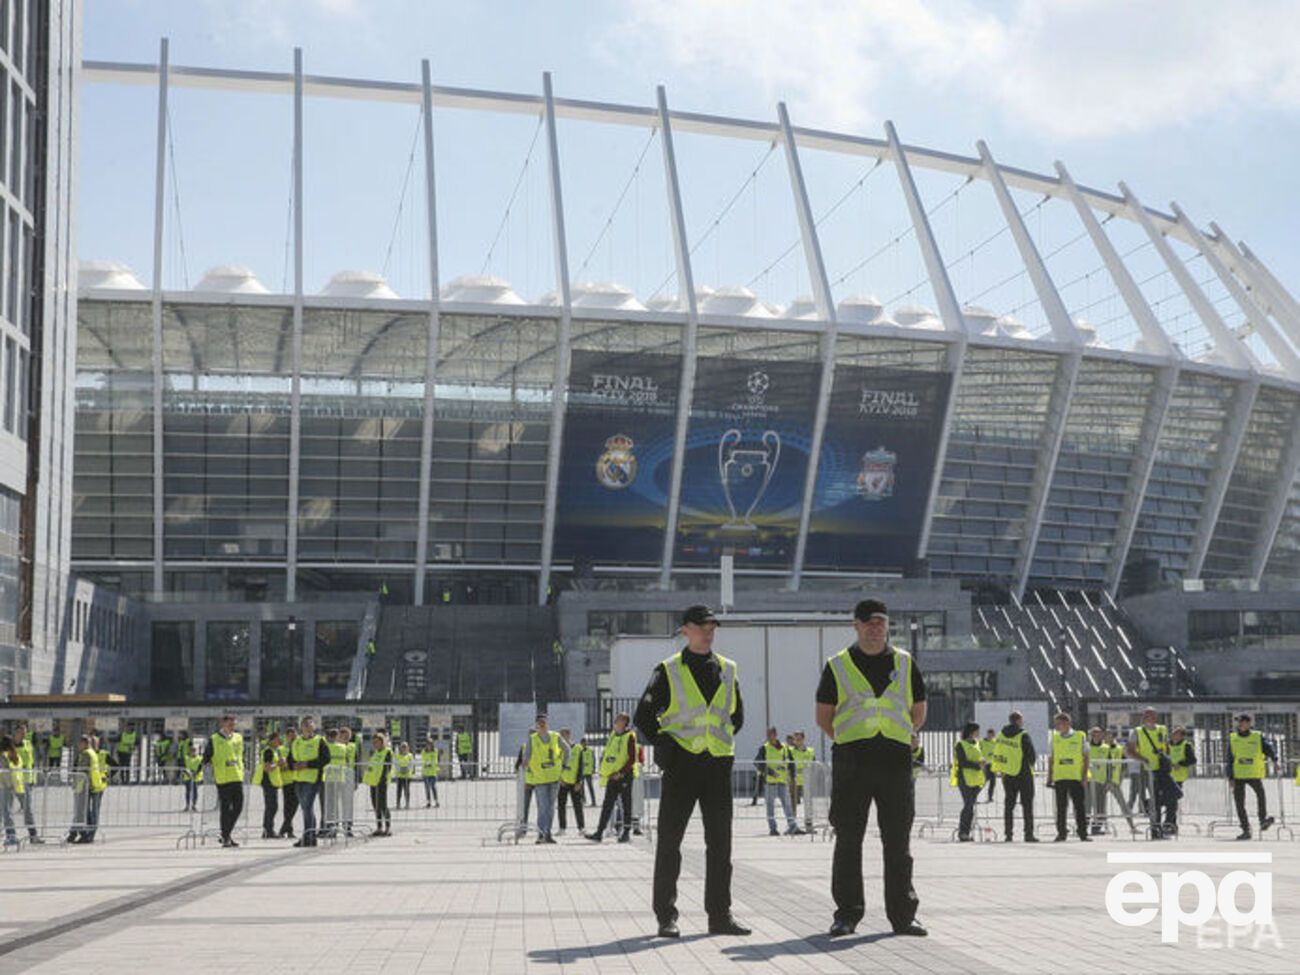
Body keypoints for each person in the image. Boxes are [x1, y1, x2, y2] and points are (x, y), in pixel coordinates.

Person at [635, 604, 750, 938]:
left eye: (712, 626)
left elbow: (737, 716)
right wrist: (666, 744)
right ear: (685, 629)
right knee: (670, 843)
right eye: (702, 626)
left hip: (717, 765)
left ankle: (720, 916)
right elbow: (644, 717)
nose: (708, 632)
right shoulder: (668, 670)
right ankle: (666, 916)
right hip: (682, 766)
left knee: (721, 846)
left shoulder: (728, 668)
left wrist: (717, 741)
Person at [816, 598, 927, 938]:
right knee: (848, 840)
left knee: (898, 841)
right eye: (868, 622)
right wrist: (849, 739)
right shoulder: (837, 665)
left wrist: (906, 733)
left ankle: (903, 916)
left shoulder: (905, 663)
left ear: (887, 625)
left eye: (880, 622)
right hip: (853, 761)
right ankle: (847, 914)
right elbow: (824, 716)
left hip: (895, 761)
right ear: (856, 625)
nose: (875, 628)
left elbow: (919, 708)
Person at [587, 712, 637, 843]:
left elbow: (632, 758)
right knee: (607, 804)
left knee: (626, 804)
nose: (615, 721)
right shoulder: (613, 735)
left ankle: (626, 833)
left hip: (624, 776)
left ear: (624, 722)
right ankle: (599, 832)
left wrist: (621, 773)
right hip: (612, 776)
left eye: (618, 719)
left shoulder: (630, 736)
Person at [1229, 713, 1276, 840]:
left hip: (1253, 774)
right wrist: (1230, 777)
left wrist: (1275, 759)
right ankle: (1246, 829)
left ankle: (1263, 820)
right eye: (1238, 721)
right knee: (1239, 804)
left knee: (1261, 795)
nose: (1240, 724)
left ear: (1248, 723)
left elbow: (1268, 748)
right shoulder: (1233, 737)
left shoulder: (1257, 736)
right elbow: (1230, 758)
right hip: (1238, 775)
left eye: (1242, 721)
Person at [993, 710, 1037, 843]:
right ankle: (1028, 834)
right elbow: (1031, 754)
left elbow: (998, 752)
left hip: (1008, 774)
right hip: (1023, 773)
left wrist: (1002, 769)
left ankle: (1008, 834)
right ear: (1018, 721)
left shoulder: (1001, 735)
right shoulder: (1023, 735)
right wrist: (1030, 764)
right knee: (1027, 805)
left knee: (1009, 806)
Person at [522, 713, 566, 844]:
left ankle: (548, 833)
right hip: (540, 779)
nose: (542, 725)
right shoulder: (532, 739)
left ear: (547, 724)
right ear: (536, 725)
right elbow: (526, 756)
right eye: (539, 723)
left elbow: (567, 750)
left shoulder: (555, 736)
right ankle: (541, 834)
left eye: (544, 723)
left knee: (550, 807)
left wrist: (563, 766)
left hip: (554, 777)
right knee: (543, 807)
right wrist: (525, 763)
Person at [203, 714, 246, 848]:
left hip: (236, 776)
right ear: (223, 724)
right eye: (230, 724)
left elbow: (240, 755)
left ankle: (226, 834)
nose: (232, 726)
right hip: (223, 778)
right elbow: (206, 756)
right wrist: (202, 767)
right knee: (226, 808)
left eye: (234, 724)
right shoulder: (214, 739)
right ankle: (226, 836)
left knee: (238, 807)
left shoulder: (238, 737)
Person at [1048, 712, 1090, 843]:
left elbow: (1086, 757)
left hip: (1075, 777)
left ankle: (1083, 833)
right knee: (1061, 808)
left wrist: (1084, 777)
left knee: (1079, 807)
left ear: (1067, 723)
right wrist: (1049, 777)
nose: (1056, 726)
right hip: (1060, 777)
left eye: (1058, 723)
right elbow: (1051, 759)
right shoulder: (1054, 738)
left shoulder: (1080, 736)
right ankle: (1061, 833)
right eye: (1055, 724)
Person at [290, 716, 330, 847]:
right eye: (305, 724)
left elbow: (326, 759)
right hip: (298, 779)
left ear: (314, 727)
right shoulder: (296, 741)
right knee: (305, 808)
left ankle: (308, 836)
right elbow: (290, 758)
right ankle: (310, 836)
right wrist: (292, 765)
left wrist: (308, 764)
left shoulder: (320, 741)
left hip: (312, 779)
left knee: (307, 807)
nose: (307, 727)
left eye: (310, 724)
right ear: (301, 727)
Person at [1092, 729, 1137, 835]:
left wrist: (1120, 778)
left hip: (1114, 781)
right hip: (1101, 781)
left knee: (1123, 804)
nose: (1107, 738)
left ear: (1113, 737)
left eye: (1109, 736)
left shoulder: (1119, 748)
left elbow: (1124, 764)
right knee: (1100, 806)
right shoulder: (1100, 748)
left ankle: (1132, 826)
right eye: (1105, 736)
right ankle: (1097, 827)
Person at [760, 726, 801, 837]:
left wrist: (793, 776)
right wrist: (770, 772)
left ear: (775, 735)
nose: (769, 737)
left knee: (787, 805)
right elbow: (758, 763)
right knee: (770, 806)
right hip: (770, 782)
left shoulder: (785, 747)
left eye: (770, 734)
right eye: (768, 735)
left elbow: (791, 762)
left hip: (782, 781)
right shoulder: (764, 748)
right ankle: (773, 829)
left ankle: (793, 826)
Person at [1128, 707, 1167, 820]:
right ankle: (1153, 820)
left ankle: (1156, 817)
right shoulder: (1137, 731)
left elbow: (1166, 746)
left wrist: (1167, 760)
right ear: (1144, 717)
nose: (1151, 717)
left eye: (1153, 715)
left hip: (1162, 768)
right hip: (1146, 768)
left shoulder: (1162, 729)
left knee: (1164, 794)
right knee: (1147, 793)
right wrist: (1143, 759)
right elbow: (1130, 751)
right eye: (1148, 715)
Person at [68, 735, 107, 843]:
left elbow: (82, 771)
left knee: (83, 812)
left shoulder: (86, 754)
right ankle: (77, 833)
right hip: (93, 784)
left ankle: (85, 834)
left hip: (86, 785)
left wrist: (75, 781)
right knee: (85, 812)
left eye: (80, 743)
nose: (78, 745)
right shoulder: (92, 753)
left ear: (84, 743)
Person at [1159, 725, 1194, 838]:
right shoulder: (1167, 745)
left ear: (1182, 736)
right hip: (1167, 776)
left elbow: (1192, 760)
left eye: (1176, 733)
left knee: (1172, 802)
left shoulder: (1186, 745)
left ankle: (1169, 824)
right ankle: (1171, 825)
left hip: (1178, 777)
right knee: (1170, 802)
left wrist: (1180, 764)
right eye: (1173, 733)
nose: (1173, 735)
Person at [952, 721, 985, 842]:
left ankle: (967, 832)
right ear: (972, 731)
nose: (979, 733)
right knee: (968, 805)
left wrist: (982, 762)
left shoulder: (977, 743)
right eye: (977, 730)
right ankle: (963, 832)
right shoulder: (960, 744)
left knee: (970, 806)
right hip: (964, 779)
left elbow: (978, 756)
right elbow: (962, 762)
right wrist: (977, 765)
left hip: (976, 779)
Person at [11, 723, 42, 843]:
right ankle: (9, 834)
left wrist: (33, 779)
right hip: (12, 781)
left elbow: (31, 763)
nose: (23, 735)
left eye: (25, 732)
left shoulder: (28, 744)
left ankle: (33, 835)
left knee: (27, 809)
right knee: (6, 809)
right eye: (21, 732)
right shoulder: (10, 746)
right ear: (16, 733)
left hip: (26, 781)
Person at [254, 732, 284, 839]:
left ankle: (268, 829)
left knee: (272, 806)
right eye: (277, 739)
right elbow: (267, 767)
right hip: (268, 781)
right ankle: (268, 830)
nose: (279, 741)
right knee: (271, 806)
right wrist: (278, 764)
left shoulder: (276, 751)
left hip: (273, 782)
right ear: (272, 740)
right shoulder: (268, 751)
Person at [556, 728, 585, 835]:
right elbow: (557, 765)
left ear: (569, 735)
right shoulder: (559, 749)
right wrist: (560, 779)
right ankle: (562, 828)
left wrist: (579, 781)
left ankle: (581, 827)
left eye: (563, 736)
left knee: (578, 806)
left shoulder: (578, 748)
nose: (562, 739)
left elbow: (581, 766)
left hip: (574, 782)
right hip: (563, 782)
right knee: (561, 805)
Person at [363, 732, 393, 837]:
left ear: (382, 742)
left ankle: (388, 827)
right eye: (373, 742)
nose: (374, 744)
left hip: (382, 783)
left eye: (376, 742)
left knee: (383, 805)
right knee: (376, 805)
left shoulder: (387, 752)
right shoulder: (375, 753)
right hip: (373, 782)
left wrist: (383, 779)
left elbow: (387, 767)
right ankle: (379, 827)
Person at [1, 735, 23, 847]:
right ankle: (10, 834)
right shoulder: (15, 755)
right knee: (6, 811)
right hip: (13, 785)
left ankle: (11, 835)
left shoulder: (4, 756)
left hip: (5, 786)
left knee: (6, 811)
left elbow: (5, 773)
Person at [790, 731, 815, 829]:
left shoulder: (810, 751)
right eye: (795, 739)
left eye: (799, 739)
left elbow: (814, 764)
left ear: (803, 739)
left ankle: (808, 822)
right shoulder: (790, 751)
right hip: (794, 780)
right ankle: (792, 824)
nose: (797, 741)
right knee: (793, 803)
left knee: (808, 802)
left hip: (807, 780)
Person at [278, 727, 299, 838]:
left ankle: (284, 827)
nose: (292, 737)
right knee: (287, 806)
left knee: (295, 804)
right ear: (286, 737)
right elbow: (279, 762)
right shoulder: (281, 749)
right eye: (290, 735)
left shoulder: (299, 747)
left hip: (298, 778)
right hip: (286, 779)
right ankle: (288, 829)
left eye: (294, 735)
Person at [393, 742, 415, 809]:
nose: (404, 749)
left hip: (407, 776)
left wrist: (407, 769)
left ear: (408, 748)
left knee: (406, 790)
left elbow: (411, 764)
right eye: (403, 747)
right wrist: (400, 770)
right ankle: (398, 804)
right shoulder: (397, 756)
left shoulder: (410, 755)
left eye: (405, 747)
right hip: (399, 776)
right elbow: (395, 763)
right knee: (399, 791)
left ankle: (407, 803)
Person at [420, 738, 441, 808]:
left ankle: (436, 801)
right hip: (426, 773)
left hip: (433, 772)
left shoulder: (435, 751)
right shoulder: (423, 752)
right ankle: (428, 801)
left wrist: (429, 763)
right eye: (427, 744)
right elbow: (424, 760)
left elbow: (435, 760)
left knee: (433, 787)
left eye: (430, 744)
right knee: (427, 788)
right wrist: (428, 763)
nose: (428, 746)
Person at [979, 729, 998, 803]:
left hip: (993, 764)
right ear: (987, 734)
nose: (990, 736)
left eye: (992, 735)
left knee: (993, 782)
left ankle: (990, 797)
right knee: (984, 781)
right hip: (985, 764)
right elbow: (978, 751)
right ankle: (974, 795)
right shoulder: (982, 742)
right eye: (989, 735)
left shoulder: (995, 742)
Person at [582, 739, 597, 806]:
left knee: (590, 787)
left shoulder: (590, 751)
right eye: (583, 743)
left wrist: (593, 769)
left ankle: (593, 801)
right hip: (582, 772)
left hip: (588, 772)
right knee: (581, 788)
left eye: (585, 743)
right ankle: (583, 800)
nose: (584, 744)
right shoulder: (580, 751)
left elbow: (594, 760)